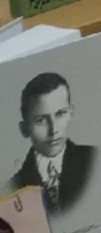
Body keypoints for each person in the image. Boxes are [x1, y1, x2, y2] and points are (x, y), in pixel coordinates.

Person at [9, 73, 95, 213]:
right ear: (24, 129)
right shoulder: (14, 188)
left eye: (60, 114)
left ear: (71, 113)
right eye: (40, 120)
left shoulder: (92, 159)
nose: (54, 130)